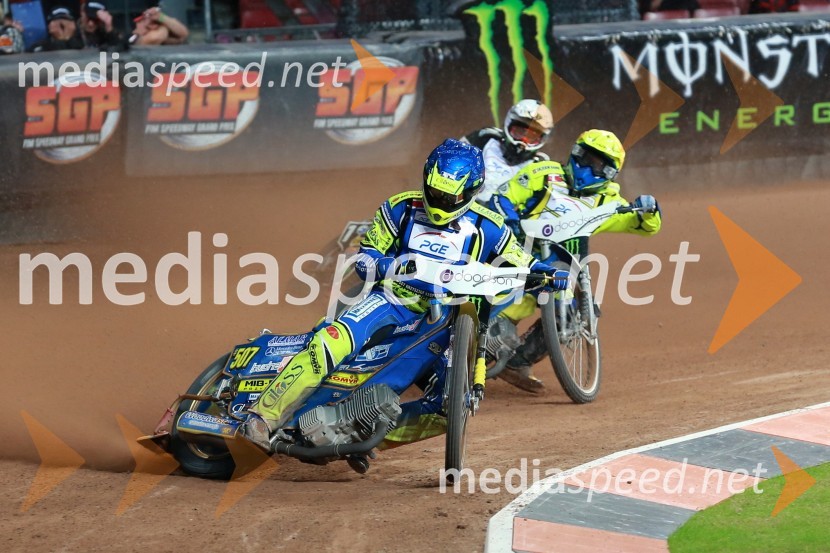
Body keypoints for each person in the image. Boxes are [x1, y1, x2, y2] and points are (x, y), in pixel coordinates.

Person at [242, 138, 570, 450]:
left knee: (449, 408)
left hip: (449, 317)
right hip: (391, 299)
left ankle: (362, 435)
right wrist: (390, 265)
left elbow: (524, 262)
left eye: (449, 197)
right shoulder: (400, 207)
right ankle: (261, 417)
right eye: (435, 193)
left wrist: (549, 274)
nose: (440, 202)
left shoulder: (490, 226)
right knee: (330, 341)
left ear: (471, 192)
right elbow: (366, 257)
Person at [489, 129, 662, 393]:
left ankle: (517, 362)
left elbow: (647, 226)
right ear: (575, 152)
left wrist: (650, 210)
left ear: (609, 172)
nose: (587, 168)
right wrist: (511, 221)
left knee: (579, 313)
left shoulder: (609, 200)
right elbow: (502, 196)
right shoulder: (544, 172)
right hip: (517, 254)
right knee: (499, 309)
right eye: (586, 158)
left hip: (564, 273)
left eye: (598, 165)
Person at [461, 99, 554, 204]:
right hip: (459, 204)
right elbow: (451, 161)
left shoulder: (538, 168)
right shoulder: (484, 137)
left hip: (499, 213)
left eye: (532, 137)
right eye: (520, 132)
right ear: (509, 124)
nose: (523, 141)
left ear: (541, 140)